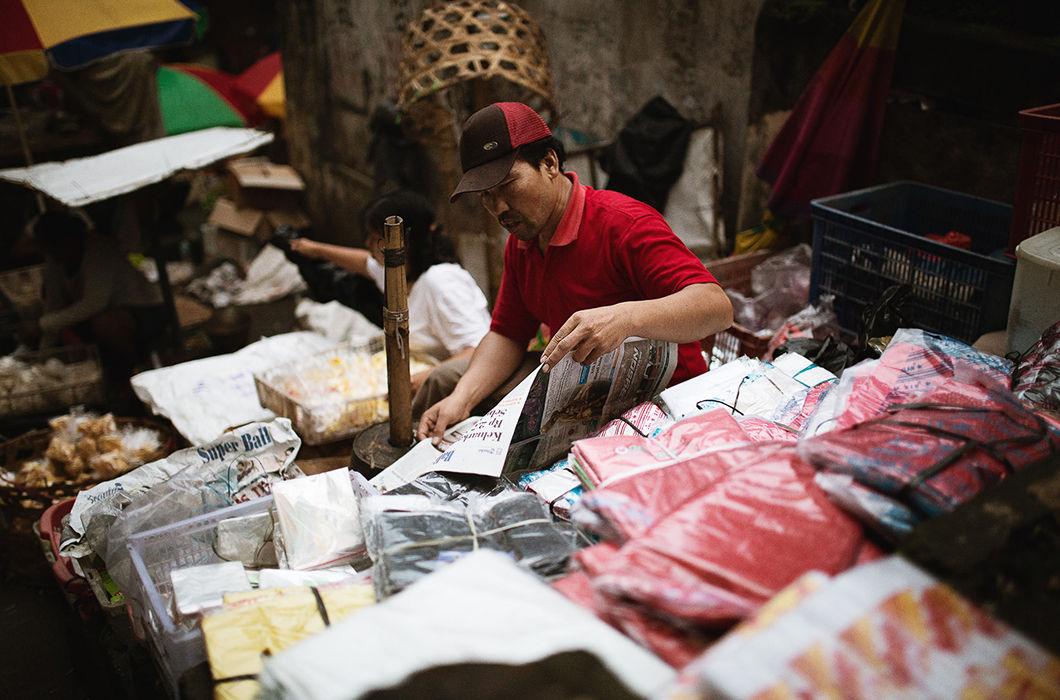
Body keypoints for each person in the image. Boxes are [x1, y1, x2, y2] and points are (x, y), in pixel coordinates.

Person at [417, 102, 734, 444]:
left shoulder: (623, 224)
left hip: (665, 402)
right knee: (448, 383)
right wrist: (460, 401)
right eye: (486, 196)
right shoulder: (522, 241)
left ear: (549, 163)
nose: (500, 209)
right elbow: (507, 334)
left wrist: (626, 317)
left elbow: (717, 307)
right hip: (585, 396)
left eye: (508, 185)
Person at [288, 190, 491, 408]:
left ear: (405, 242)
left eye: (376, 239)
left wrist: (426, 376)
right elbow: (364, 263)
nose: (367, 244)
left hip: (455, 395)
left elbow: (481, 351)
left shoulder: (440, 282)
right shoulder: (397, 271)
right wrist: (316, 250)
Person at [21, 208, 167, 388]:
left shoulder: (98, 251)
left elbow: (95, 303)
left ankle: (137, 372)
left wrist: (44, 324)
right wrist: (42, 360)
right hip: (99, 317)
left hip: (143, 311)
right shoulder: (54, 262)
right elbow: (53, 308)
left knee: (105, 323)